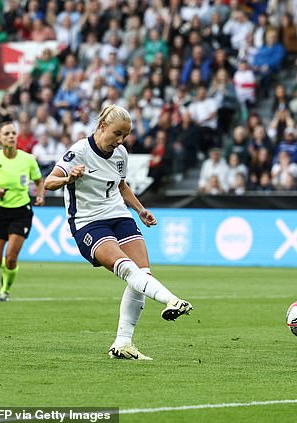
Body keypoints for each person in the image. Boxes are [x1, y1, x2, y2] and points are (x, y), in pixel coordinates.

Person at [44, 104, 193, 361]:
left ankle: (122, 343)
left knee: (142, 273)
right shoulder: (78, 152)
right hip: (88, 222)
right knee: (128, 270)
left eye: (125, 135)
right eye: (117, 134)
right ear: (102, 127)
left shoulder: (120, 153)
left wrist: (140, 210)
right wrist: (68, 179)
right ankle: (172, 299)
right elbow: (48, 182)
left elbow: (121, 185)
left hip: (119, 216)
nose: (121, 140)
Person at [0, 120, 45, 302]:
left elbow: (39, 182)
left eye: (13, 133)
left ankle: (5, 290)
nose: (11, 136)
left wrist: (40, 196)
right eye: (6, 134)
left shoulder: (28, 159)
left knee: (10, 258)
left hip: (21, 212)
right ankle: (6, 272)